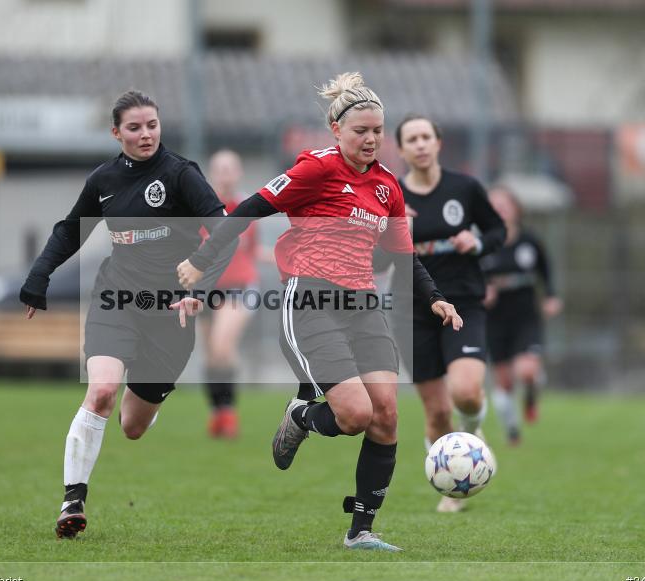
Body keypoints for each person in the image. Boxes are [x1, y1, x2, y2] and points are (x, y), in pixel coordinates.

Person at [177, 73, 462, 552]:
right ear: (335, 129)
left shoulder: (389, 187)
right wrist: (201, 262)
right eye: (360, 131)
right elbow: (246, 210)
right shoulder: (315, 170)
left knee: (387, 415)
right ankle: (302, 416)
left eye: (377, 131)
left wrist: (434, 296)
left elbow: (404, 253)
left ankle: (361, 531)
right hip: (311, 301)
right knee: (353, 415)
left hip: (364, 304)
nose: (371, 139)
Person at [19, 90, 236, 539]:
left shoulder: (181, 175)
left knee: (133, 427)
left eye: (152, 125)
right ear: (116, 132)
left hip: (171, 312)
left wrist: (200, 288)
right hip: (115, 300)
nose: (145, 134)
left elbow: (224, 233)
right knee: (100, 392)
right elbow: (69, 230)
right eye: (134, 128)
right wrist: (39, 274)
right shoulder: (105, 180)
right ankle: (72, 500)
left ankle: (143, 405)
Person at [389, 115, 506, 512]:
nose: (420, 144)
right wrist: (391, 232)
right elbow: (369, 261)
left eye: (427, 137)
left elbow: (497, 232)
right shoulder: (390, 196)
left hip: (464, 303)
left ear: (438, 143)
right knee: (437, 409)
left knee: (467, 393)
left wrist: (476, 242)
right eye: (411, 139)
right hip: (411, 310)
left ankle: (472, 439)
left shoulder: (465, 188)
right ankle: (451, 489)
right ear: (401, 150)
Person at [481, 185, 562, 444]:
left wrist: (550, 296)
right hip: (494, 320)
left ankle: (530, 395)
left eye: (505, 206)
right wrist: (482, 291)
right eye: (494, 207)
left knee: (526, 371)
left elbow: (545, 269)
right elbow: (470, 276)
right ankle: (513, 431)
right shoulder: (481, 244)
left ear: (516, 209)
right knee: (503, 382)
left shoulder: (530, 241)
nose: (500, 211)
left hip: (525, 316)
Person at [200, 149, 260, 439]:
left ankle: (228, 413)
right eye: (219, 168)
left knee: (223, 347)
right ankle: (217, 410)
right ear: (211, 174)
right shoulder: (200, 209)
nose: (225, 173)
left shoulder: (247, 208)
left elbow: (251, 250)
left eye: (230, 168)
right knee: (212, 355)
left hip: (240, 287)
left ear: (238, 173)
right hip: (205, 290)